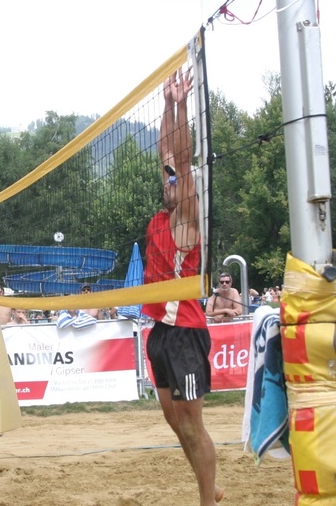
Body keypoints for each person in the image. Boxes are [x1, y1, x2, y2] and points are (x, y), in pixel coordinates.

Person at [141, 68, 221, 505]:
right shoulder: (161, 214)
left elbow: (182, 159)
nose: (169, 182)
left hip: (186, 332)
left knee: (192, 426)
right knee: (176, 423)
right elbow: (167, 153)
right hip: (160, 331)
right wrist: (168, 103)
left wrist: (185, 105)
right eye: (167, 180)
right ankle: (212, 487)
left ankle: (207, 499)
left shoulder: (188, 217)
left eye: (175, 180)